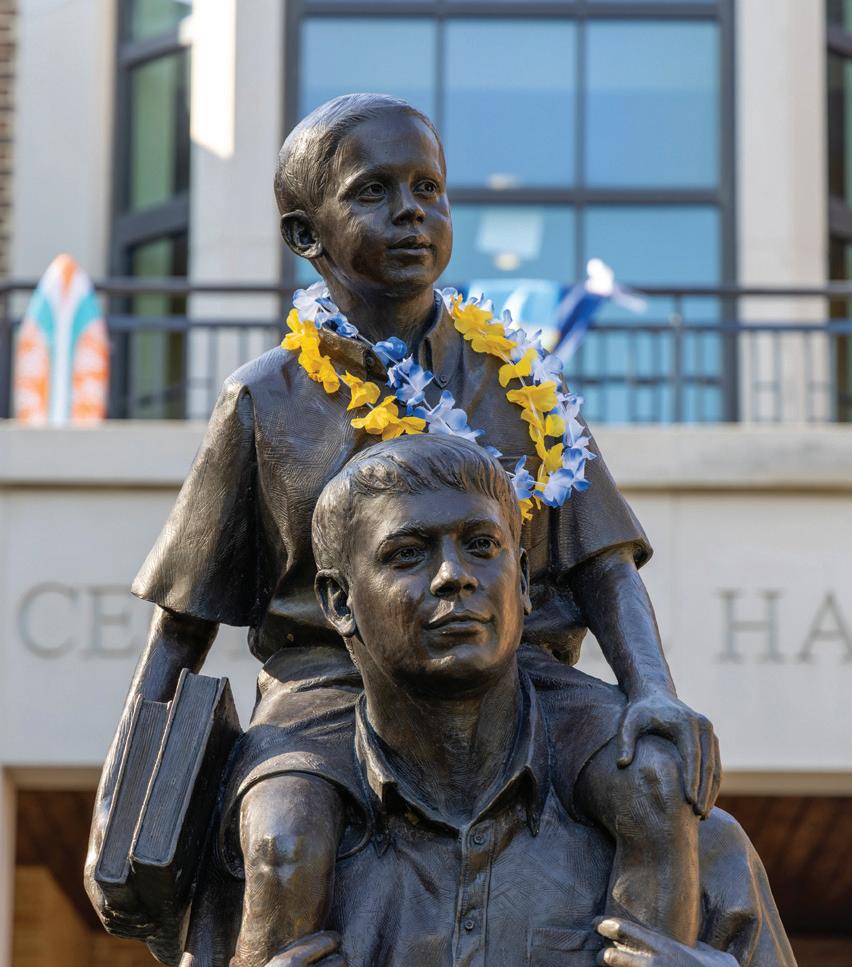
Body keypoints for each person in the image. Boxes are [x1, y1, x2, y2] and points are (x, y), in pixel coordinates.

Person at [84, 94, 718, 962]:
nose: (412, 211)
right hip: (328, 688)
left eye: (429, 187)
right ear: (306, 234)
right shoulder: (264, 399)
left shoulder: (521, 377)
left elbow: (605, 563)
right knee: (284, 844)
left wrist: (651, 689)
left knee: (654, 779)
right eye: (374, 191)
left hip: (527, 683)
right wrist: (123, 788)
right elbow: (182, 621)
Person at [205, 433, 793, 967]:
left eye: (482, 545)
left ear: (523, 581)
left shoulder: (702, 852)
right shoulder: (256, 859)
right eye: (407, 553)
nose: (453, 576)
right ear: (339, 601)